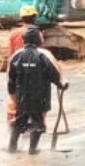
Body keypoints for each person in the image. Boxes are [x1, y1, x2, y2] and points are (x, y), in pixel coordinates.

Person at [7, 26, 68, 155]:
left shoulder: (16, 56)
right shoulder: (43, 55)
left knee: (19, 120)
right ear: (38, 40)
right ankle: (32, 149)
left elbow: (10, 78)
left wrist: (13, 95)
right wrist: (62, 84)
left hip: (22, 96)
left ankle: (12, 147)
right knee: (38, 121)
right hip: (40, 96)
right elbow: (54, 74)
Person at [4, 5, 44, 130]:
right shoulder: (37, 34)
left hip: (17, 70)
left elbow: (10, 55)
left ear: (22, 18)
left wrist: (9, 73)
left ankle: (12, 122)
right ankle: (35, 124)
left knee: (14, 97)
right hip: (34, 71)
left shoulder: (14, 33)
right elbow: (41, 54)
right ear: (35, 17)